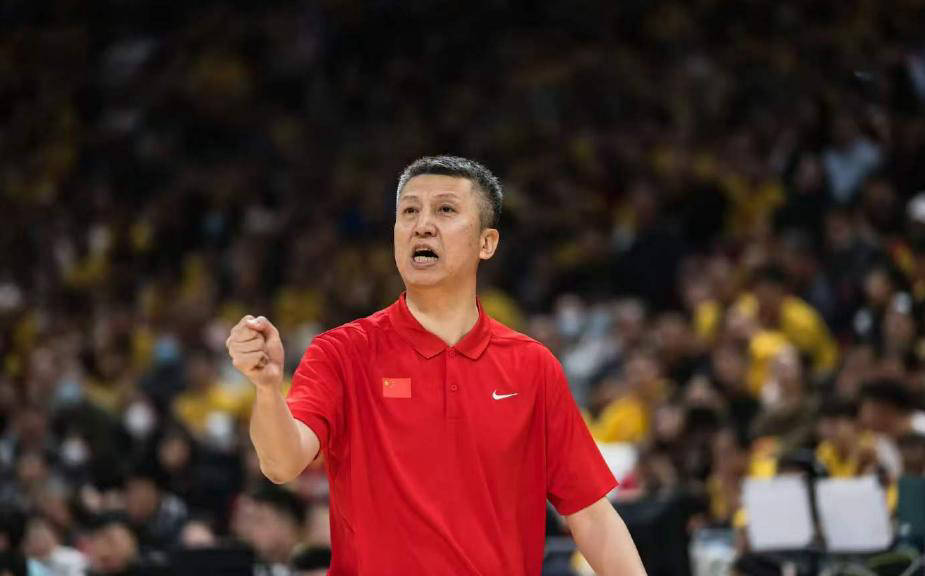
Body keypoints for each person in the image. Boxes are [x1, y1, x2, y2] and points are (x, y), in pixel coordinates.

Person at [226, 156, 646, 575]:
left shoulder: (532, 366)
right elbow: (281, 464)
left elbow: (592, 518)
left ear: (487, 243)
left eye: (445, 209)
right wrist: (267, 388)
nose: (422, 225)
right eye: (409, 211)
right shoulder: (341, 353)